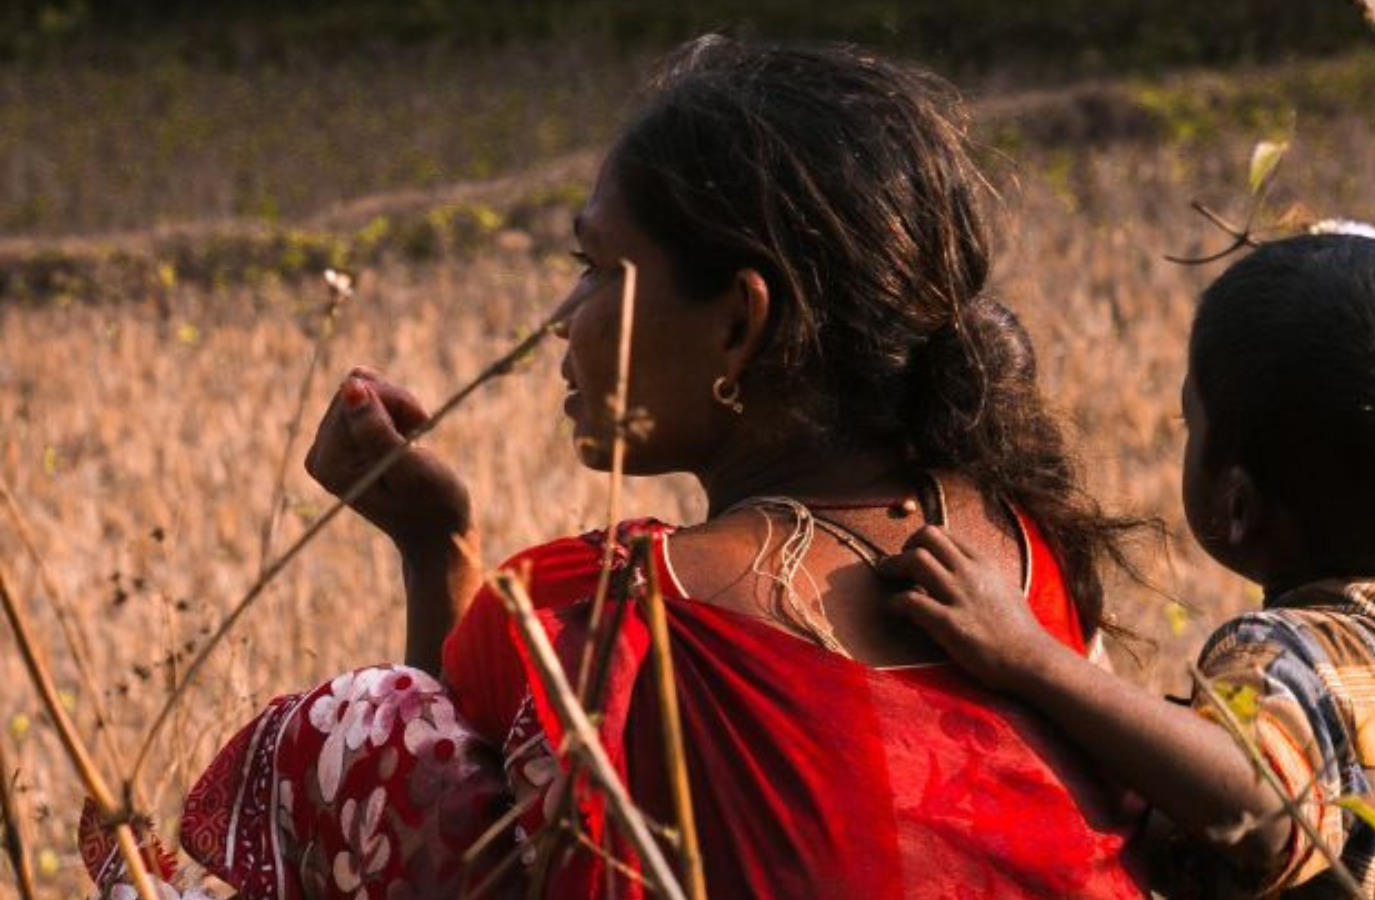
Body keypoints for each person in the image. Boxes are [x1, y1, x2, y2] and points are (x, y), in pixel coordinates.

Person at [81, 37, 1155, 900]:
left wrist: (434, 549)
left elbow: (447, 795)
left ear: (738, 324)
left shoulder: (605, 608)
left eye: (596, 269)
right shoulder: (1023, 546)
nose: (563, 319)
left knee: (362, 732)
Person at [878, 235, 1375, 898]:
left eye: (1188, 421)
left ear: (1238, 506)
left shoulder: (1285, 656)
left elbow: (1263, 811)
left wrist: (1031, 657)